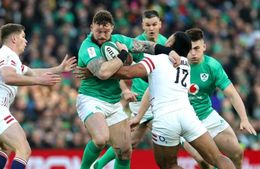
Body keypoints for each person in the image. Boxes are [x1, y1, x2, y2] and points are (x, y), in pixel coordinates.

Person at [115, 31, 236, 169]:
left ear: (171, 44)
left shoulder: (157, 59)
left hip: (165, 119)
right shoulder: (185, 64)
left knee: (168, 165)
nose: (165, 41)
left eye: (169, 39)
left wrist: (122, 55)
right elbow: (154, 82)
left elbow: (128, 73)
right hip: (188, 116)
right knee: (217, 157)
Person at [75, 10, 180, 169]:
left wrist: (169, 51)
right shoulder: (88, 46)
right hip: (91, 99)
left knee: (125, 151)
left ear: (112, 28)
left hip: (113, 103)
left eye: (106, 31)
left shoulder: (118, 39)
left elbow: (146, 46)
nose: (102, 35)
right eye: (98, 31)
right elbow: (103, 73)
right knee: (101, 139)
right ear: (91, 27)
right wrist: (123, 54)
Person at [0, 23, 76, 169]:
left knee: (7, 148)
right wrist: (39, 82)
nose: (26, 41)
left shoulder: (9, 58)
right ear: (14, 39)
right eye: (23, 37)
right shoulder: (8, 55)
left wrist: (59, 69)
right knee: (24, 150)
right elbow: (8, 77)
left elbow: (33, 72)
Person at [179, 28, 257, 169]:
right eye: (189, 49)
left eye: (197, 48)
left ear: (204, 47)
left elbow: (232, 93)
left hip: (206, 115)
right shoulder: (176, 65)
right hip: (183, 121)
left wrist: (244, 119)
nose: (193, 53)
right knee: (205, 162)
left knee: (237, 153)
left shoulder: (212, 66)